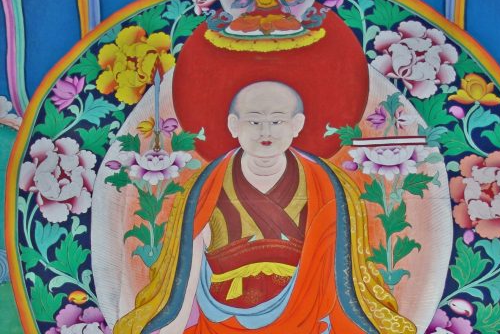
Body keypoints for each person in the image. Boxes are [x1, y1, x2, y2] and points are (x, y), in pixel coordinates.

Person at [114, 81, 416, 334]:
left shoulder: (327, 184)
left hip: (305, 320)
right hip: (222, 321)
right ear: (233, 125)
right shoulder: (205, 186)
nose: (265, 131)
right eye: (254, 121)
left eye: (277, 121)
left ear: (297, 125)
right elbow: (185, 276)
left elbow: (343, 276)